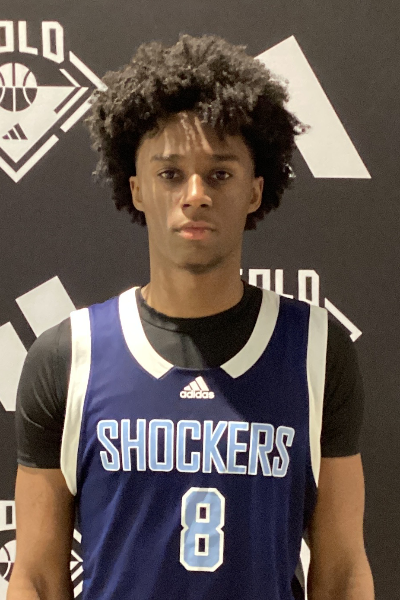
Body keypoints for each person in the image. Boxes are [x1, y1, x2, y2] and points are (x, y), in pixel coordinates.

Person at [8, 33, 374, 600]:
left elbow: (344, 569)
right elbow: (34, 576)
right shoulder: (68, 356)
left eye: (220, 174)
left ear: (255, 191)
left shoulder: (316, 352)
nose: (195, 194)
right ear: (136, 189)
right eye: (171, 174)